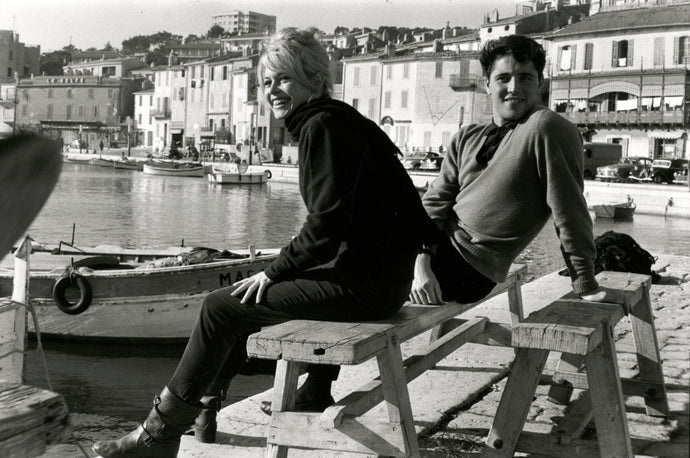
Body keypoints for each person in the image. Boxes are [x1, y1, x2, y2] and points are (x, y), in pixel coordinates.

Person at [92, 28, 438, 458]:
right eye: (266, 81)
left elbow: (324, 230)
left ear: (314, 80)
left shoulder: (321, 126)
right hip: (382, 282)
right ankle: (287, 396)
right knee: (245, 296)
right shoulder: (344, 120)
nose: (273, 90)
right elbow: (390, 215)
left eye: (284, 79)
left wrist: (273, 270)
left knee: (220, 308)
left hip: (365, 290)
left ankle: (158, 435)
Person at [410, 34, 623, 307]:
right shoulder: (466, 137)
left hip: (464, 268)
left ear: (540, 84)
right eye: (503, 78)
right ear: (487, 84)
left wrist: (584, 282)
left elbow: (569, 211)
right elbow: (434, 203)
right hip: (426, 255)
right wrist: (421, 261)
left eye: (525, 78)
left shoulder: (546, 128)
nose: (514, 87)